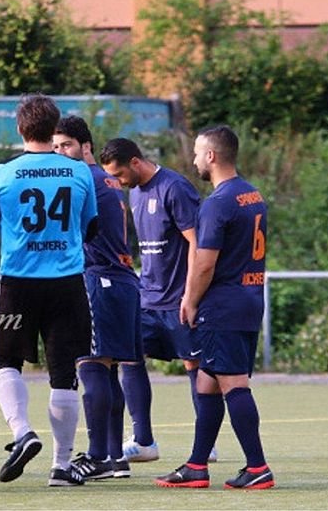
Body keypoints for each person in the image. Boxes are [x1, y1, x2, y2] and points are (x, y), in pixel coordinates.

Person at [0, 94, 98, 487]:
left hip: (18, 280)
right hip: (66, 282)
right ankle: (62, 467)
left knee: (5, 363)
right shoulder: (78, 172)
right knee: (64, 375)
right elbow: (90, 228)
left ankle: (23, 433)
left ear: (19, 128)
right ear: (54, 129)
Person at [157, 125, 274, 490]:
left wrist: (189, 300)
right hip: (249, 299)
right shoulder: (252, 195)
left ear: (211, 156)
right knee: (207, 383)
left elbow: (205, 263)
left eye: (196, 152)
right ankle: (196, 465)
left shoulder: (217, 202)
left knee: (232, 383)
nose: (193, 160)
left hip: (222, 306)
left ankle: (258, 468)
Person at [99, 138, 215, 464]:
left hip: (179, 299)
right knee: (129, 356)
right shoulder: (133, 193)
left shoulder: (175, 188)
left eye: (120, 174)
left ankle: (205, 443)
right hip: (147, 297)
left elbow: (197, 243)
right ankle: (144, 440)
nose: (118, 182)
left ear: (136, 162)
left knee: (195, 365)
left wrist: (191, 296)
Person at [52, 117, 142, 481]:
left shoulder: (81, 178)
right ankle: (115, 456)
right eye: (55, 146)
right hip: (120, 279)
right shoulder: (106, 179)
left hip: (98, 278)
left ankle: (97, 455)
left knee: (90, 366)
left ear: (86, 147)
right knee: (108, 370)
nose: (59, 153)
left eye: (66, 145)